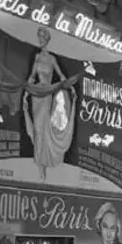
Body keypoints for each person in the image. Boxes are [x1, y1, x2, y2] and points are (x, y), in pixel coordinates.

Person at [23, 27, 76, 180]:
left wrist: (70, 87)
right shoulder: (37, 57)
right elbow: (32, 76)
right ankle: (40, 164)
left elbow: (61, 76)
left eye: (41, 37)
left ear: (46, 39)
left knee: (43, 128)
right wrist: (27, 92)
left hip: (47, 95)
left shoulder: (52, 59)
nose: (39, 39)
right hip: (36, 94)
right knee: (38, 130)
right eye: (38, 36)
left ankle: (45, 162)